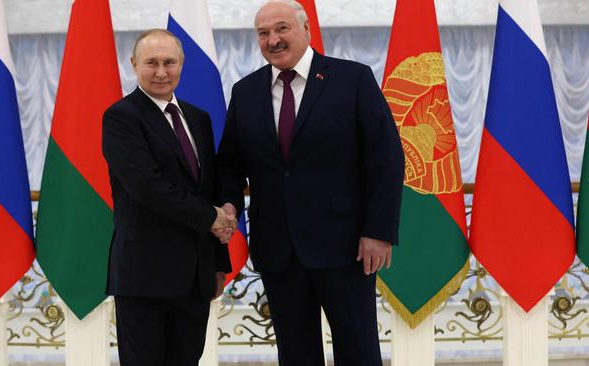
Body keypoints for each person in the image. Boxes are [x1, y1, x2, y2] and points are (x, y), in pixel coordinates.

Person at [215, 1, 405, 365]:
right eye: (263, 33)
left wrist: (378, 231)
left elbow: (385, 160)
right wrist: (228, 205)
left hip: (347, 246)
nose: (273, 39)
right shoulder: (246, 91)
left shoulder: (352, 79)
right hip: (278, 249)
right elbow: (229, 163)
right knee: (295, 353)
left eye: (282, 28)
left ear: (306, 30)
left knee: (359, 349)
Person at [102, 29, 235, 366]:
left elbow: (209, 187)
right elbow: (148, 187)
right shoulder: (121, 118)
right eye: (151, 63)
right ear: (133, 64)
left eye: (169, 62)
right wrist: (212, 218)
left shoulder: (198, 118)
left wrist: (219, 263)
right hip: (145, 276)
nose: (161, 71)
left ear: (181, 65)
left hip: (195, 277)